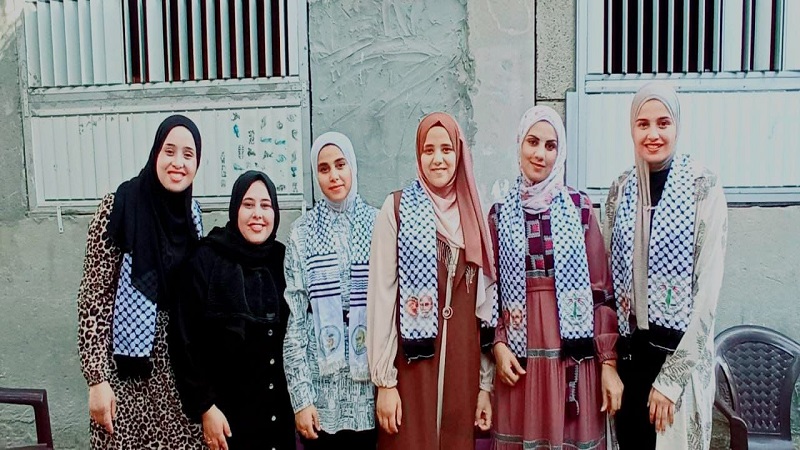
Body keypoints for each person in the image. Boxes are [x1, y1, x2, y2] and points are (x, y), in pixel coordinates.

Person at [489, 106, 623, 450]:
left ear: (560, 152)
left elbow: (600, 292)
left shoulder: (579, 208)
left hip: (572, 356)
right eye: (533, 142)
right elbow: (490, 293)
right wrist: (498, 344)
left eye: (550, 146)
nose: (540, 154)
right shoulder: (500, 213)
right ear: (519, 144)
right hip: (519, 359)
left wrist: (608, 363)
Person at [606, 82, 727, 450]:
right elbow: (608, 284)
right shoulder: (620, 191)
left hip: (677, 363)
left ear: (677, 126)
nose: (653, 134)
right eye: (643, 124)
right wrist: (609, 364)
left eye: (663, 123)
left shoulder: (702, 188)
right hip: (630, 361)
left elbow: (707, 293)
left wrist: (671, 380)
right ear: (631, 128)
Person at [367, 112, 496, 450]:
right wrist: (385, 383)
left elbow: (485, 314)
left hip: (462, 374)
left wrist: (485, 386)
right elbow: (382, 298)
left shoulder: (475, 218)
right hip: (411, 375)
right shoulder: (396, 210)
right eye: (429, 150)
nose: (438, 159)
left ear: (459, 154)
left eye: (446, 149)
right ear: (418, 155)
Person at [77, 115, 205, 448]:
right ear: (155, 153)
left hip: (179, 373)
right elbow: (94, 298)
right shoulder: (118, 207)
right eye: (169, 151)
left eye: (188, 155)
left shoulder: (193, 215)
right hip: (126, 375)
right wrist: (96, 380)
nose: (178, 163)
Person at [170, 170, 295, 450]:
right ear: (235, 208)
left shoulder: (283, 261)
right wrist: (205, 407)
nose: (257, 214)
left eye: (265, 205)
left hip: (279, 422)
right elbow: (183, 341)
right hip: (227, 423)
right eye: (248, 204)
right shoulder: (206, 261)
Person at [283, 132, 378, 449]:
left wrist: (389, 386)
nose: (334, 175)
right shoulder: (301, 232)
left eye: (340, 165)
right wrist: (301, 399)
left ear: (353, 167)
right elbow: (296, 321)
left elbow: (390, 314)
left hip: (369, 391)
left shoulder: (379, 224)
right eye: (324, 169)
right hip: (320, 391)